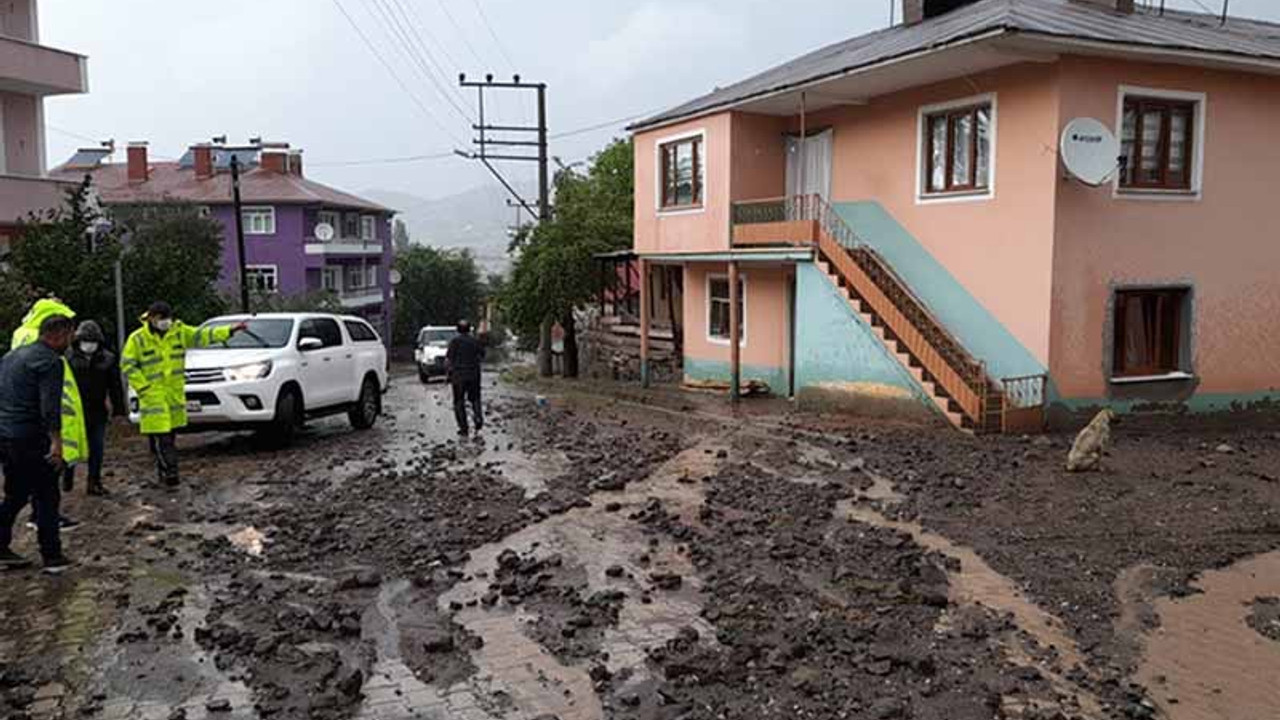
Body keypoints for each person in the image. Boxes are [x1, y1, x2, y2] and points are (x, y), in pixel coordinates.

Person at [121, 302, 244, 487]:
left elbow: (202, 336)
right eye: (161, 319)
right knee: (163, 439)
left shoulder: (179, 332)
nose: (166, 322)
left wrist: (229, 331)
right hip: (153, 398)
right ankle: (171, 473)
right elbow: (128, 365)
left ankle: (165, 473)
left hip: (173, 398)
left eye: (168, 318)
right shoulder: (138, 339)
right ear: (151, 318)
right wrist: (143, 387)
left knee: (169, 438)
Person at [0, 314, 77, 573]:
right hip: (32, 438)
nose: (71, 342)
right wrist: (56, 442)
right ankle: (52, 556)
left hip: (7, 436)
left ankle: (1, 547)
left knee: (17, 493)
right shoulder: (51, 362)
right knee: (46, 495)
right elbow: (49, 407)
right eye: (69, 336)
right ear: (58, 334)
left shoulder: (11, 357)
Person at [11, 298, 88, 532]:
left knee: (31, 483)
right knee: (40, 480)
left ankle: (44, 520)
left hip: (27, 418)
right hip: (41, 418)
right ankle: (45, 526)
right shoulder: (38, 345)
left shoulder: (23, 335)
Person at [61, 321, 123, 496]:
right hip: (73, 412)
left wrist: (119, 410)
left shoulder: (108, 359)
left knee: (97, 448)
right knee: (70, 447)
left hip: (97, 410)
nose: (89, 344)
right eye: (86, 340)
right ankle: (67, 475)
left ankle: (94, 481)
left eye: (93, 340)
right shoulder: (68, 358)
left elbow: (115, 386)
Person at [445, 320, 485, 437]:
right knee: (475, 399)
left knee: (459, 402)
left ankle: (463, 428)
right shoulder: (475, 341)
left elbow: (448, 360)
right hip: (474, 375)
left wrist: (448, 374)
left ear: (458, 330)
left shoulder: (454, 342)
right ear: (469, 329)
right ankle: (478, 419)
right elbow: (482, 354)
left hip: (459, 377)